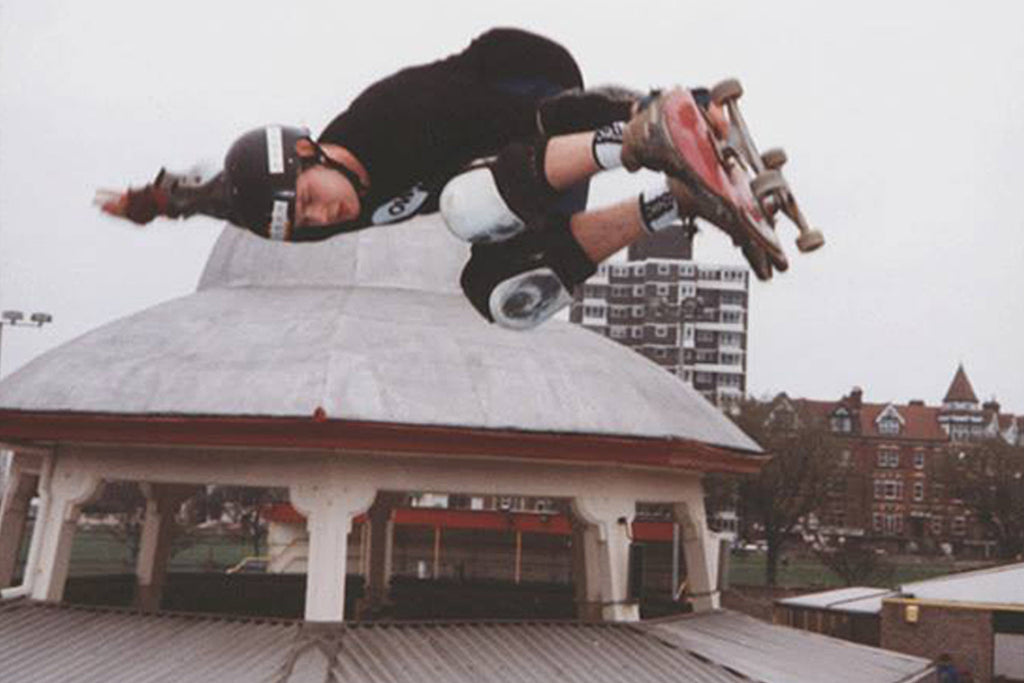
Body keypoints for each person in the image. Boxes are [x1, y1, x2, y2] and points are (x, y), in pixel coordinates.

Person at [101, 28, 751, 329]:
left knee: (469, 204)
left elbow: (539, 121)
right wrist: (158, 200)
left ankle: (644, 126)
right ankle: (675, 202)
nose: (322, 217)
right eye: (303, 222)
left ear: (311, 150)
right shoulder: (294, 216)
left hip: (522, 77)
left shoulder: (402, 117)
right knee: (504, 291)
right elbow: (219, 196)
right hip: (509, 154)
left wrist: (659, 112)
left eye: (310, 199)